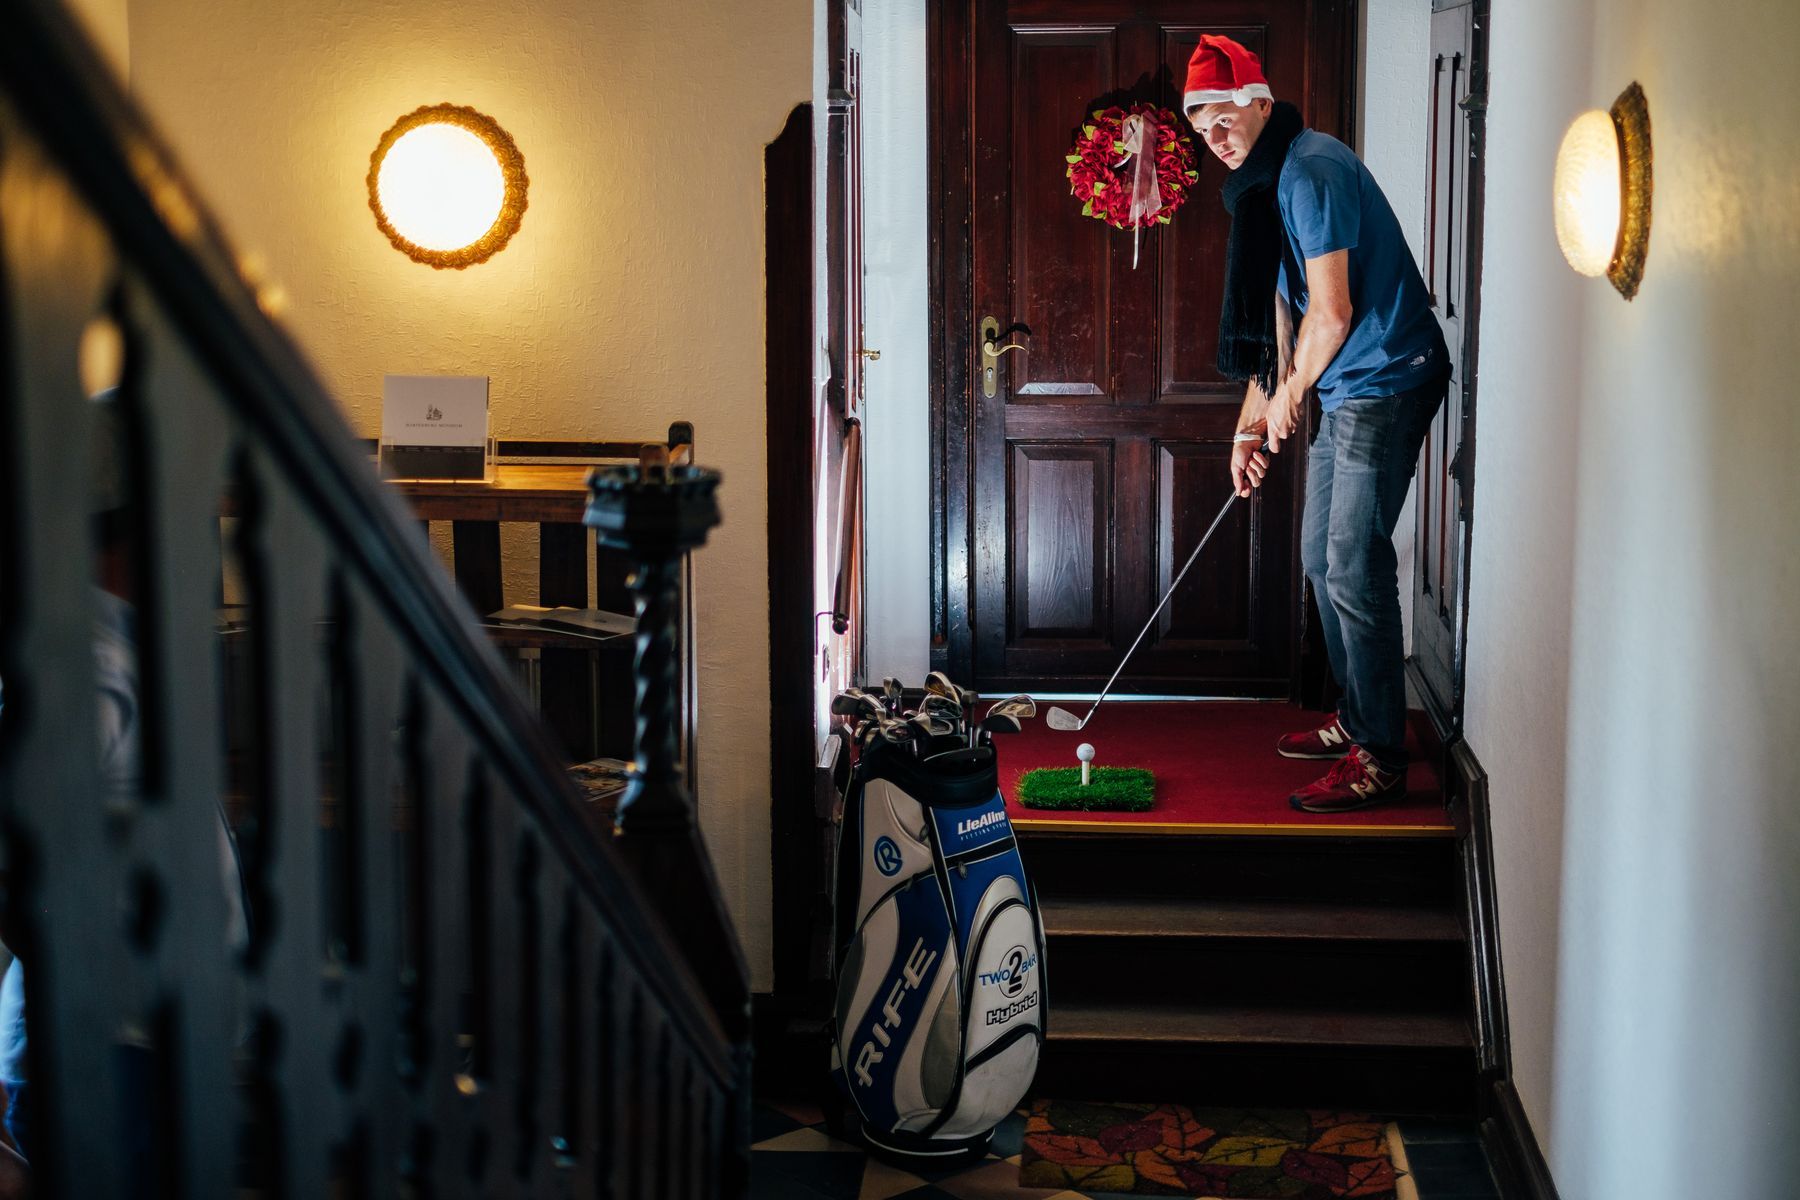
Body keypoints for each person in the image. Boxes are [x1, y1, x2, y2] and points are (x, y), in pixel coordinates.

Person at [1184, 35, 1450, 813]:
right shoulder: (1259, 191)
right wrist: (1248, 427)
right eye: (1202, 127)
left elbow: (1329, 313)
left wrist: (1295, 393)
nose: (1216, 136)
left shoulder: (1312, 170)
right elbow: (1281, 323)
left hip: (1388, 376)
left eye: (1225, 116)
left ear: (1261, 101)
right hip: (1345, 382)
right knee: (1317, 557)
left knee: (1352, 562)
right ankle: (1358, 716)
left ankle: (1380, 755)